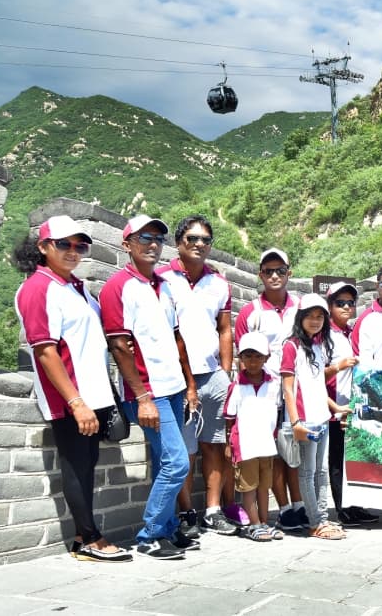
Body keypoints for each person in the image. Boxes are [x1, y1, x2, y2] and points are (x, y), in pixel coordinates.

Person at [13, 216, 133, 562]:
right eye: (64, 244)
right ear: (43, 247)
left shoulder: (75, 286)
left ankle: (84, 537)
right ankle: (89, 539)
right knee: (77, 465)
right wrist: (77, 403)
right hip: (70, 399)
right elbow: (45, 351)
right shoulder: (38, 288)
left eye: (80, 246)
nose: (73, 251)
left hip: (94, 394)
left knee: (88, 463)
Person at [100, 215, 198, 559]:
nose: (153, 244)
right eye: (144, 237)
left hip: (173, 388)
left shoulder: (165, 285)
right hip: (147, 392)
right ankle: (150, 534)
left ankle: (168, 528)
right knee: (177, 463)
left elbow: (177, 339)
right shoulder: (117, 287)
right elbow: (119, 345)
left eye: (158, 238)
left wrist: (189, 386)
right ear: (126, 244)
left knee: (163, 462)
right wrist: (142, 398)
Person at [158, 216, 239, 537]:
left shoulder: (219, 283)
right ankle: (186, 512)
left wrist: (226, 373)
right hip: (177, 379)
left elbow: (225, 329)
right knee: (185, 450)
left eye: (205, 239)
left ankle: (213, 511)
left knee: (215, 446)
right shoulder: (161, 279)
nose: (199, 244)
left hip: (213, 376)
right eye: (192, 238)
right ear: (178, 242)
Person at [234, 248, 306, 532]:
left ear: (289, 273)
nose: (274, 276)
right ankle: (284, 508)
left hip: (295, 389)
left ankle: (299, 504)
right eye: (268, 271)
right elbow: (243, 355)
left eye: (280, 270)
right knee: (272, 450)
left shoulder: (300, 307)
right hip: (264, 391)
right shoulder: (251, 312)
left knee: (293, 449)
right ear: (260, 275)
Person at [281, 294, 351, 541]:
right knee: (307, 472)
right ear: (300, 318)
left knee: (321, 471)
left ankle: (321, 518)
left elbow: (317, 385)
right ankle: (315, 522)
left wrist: (335, 407)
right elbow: (288, 389)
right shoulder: (291, 346)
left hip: (321, 417)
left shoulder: (318, 347)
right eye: (310, 316)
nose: (315, 320)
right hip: (306, 421)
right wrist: (295, 423)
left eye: (320, 316)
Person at [324, 282, 377, 528]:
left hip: (353, 405)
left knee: (352, 458)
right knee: (336, 459)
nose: (346, 307)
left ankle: (355, 505)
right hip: (333, 406)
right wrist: (339, 366)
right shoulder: (324, 335)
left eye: (350, 303)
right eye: (340, 303)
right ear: (330, 305)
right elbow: (314, 373)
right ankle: (342, 508)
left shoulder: (352, 332)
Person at [222, 332, 279, 542]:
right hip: (245, 446)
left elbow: (275, 413)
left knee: (264, 487)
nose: (253, 361)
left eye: (258, 356)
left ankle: (264, 522)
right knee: (249, 487)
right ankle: (254, 525)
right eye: (248, 356)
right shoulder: (236, 386)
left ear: (266, 357)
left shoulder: (274, 384)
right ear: (241, 358)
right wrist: (229, 444)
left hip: (267, 445)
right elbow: (229, 417)